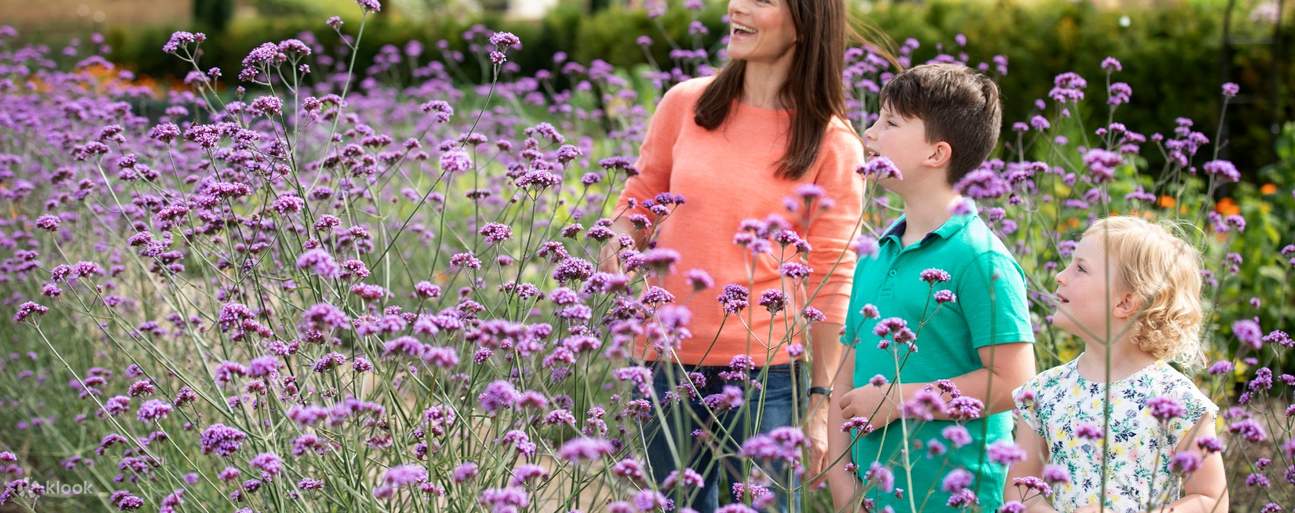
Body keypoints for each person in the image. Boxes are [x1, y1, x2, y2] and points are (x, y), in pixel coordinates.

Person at [600, 0, 866, 511]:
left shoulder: (833, 143)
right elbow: (642, 196)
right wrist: (618, 234)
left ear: (805, 20)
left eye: (762, 0)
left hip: (768, 380)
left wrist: (818, 404)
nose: (735, 6)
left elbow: (832, 282)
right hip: (666, 363)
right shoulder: (686, 103)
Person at [828, 62, 1036, 513]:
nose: (869, 133)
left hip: (953, 498)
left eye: (890, 123)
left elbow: (1014, 381)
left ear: (936, 154)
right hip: (870, 496)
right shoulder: (876, 252)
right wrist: (843, 487)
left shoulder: (980, 258)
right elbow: (844, 372)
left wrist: (899, 400)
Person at [1005, 216, 1227, 513]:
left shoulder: (1177, 401)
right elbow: (1020, 487)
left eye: (1081, 268)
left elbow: (1212, 499)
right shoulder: (1044, 392)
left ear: (1125, 303)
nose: (1060, 275)